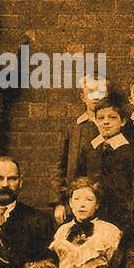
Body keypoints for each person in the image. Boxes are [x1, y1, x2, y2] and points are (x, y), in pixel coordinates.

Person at [50, 177, 121, 268]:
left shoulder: (109, 231)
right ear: (70, 203)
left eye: (89, 199)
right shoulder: (63, 230)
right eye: (77, 199)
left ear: (97, 204)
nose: (82, 204)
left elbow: (113, 266)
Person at [55, 74, 110, 225]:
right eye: (91, 92)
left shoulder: (115, 125)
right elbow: (60, 166)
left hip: (108, 202)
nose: (96, 97)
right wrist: (60, 202)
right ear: (82, 96)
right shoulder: (74, 128)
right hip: (78, 202)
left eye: (101, 92)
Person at [77, 99, 134, 224]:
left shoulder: (128, 150)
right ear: (95, 121)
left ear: (122, 121)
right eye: (101, 118)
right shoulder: (90, 148)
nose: (106, 122)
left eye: (112, 118)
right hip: (92, 210)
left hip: (119, 211)